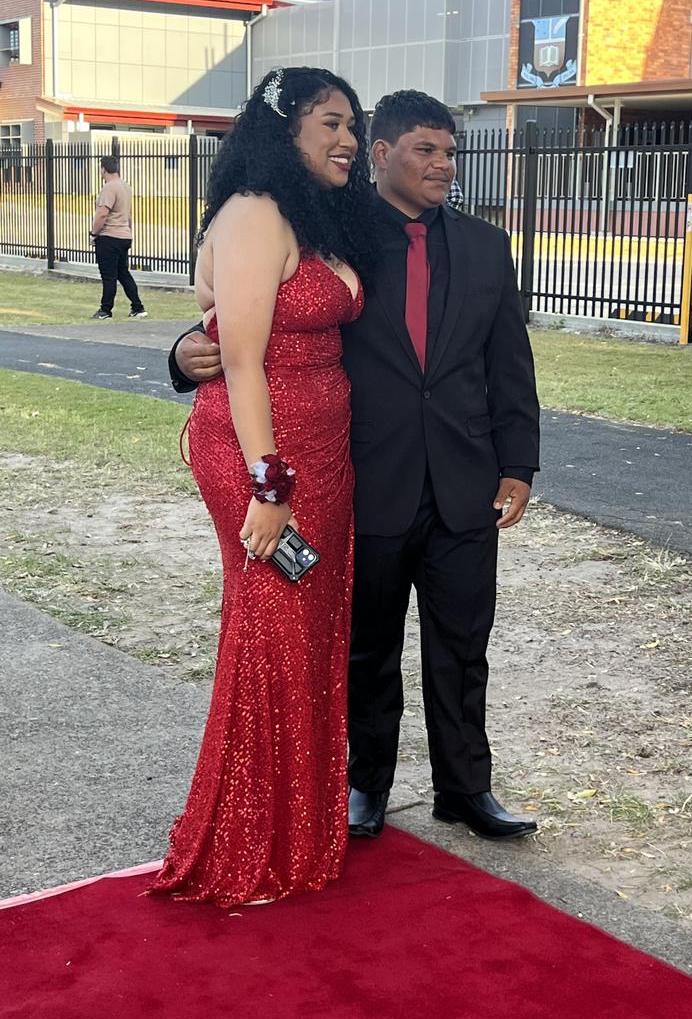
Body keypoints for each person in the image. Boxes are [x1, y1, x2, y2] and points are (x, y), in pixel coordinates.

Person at [170, 90, 540, 845]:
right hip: (366, 478)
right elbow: (253, 323)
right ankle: (365, 785)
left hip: (466, 482)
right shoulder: (334, 230)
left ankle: (466, 789)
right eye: (425, 150)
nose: (444, 165)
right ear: (383, 154)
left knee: (464, 645)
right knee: (367, 646)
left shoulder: (484, 246)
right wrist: (180, 357)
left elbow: (510, 364)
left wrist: (519, 464)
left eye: (450, 151)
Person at [149, 67, 375, 908]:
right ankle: (246, 838)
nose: (347, 139)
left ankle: (297, 825)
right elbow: (240, 360)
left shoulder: (312, 218)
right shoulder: (253, 212)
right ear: (284, 131)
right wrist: (269, 485)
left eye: (354, 123)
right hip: (262, 456)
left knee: (310, 629)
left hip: (324, 454)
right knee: (272, 628)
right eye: (330, 122)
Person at [89, 156, 147, 320]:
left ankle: (105, 310)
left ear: (103, 169)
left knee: (108, 276)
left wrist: (94, 233)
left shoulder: (109, 188)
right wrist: (129, 232)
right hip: (123, 236)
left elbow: (102, 214)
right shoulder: (125, 187)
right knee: (123, 273)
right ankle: (138, 307)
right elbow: (128, 214)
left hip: (109, 236)